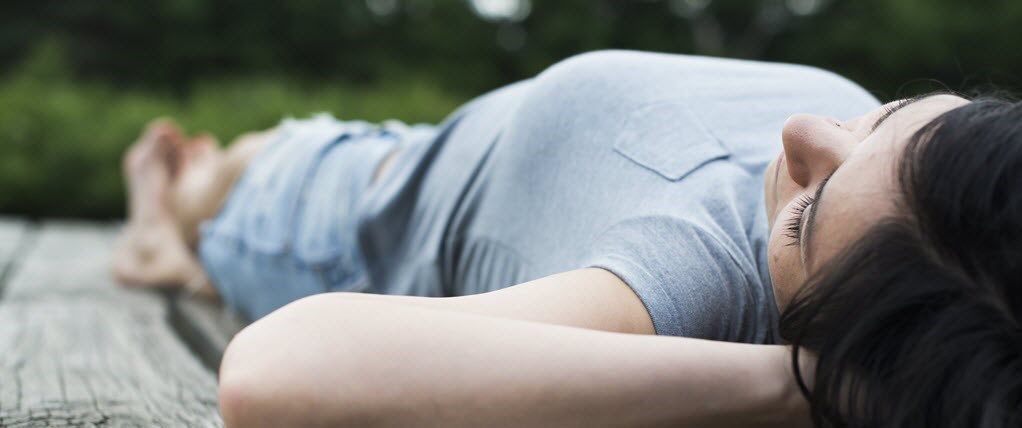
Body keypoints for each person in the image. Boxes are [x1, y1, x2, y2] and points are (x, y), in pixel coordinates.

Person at [111, 51, 1021, 427]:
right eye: (895, 117)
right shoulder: (950, 212)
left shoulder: (696, 270)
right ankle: (177, 224)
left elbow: (276, 372)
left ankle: (166, 235)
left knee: (225, 176)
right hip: (410, 147)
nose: (807, 129)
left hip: (325, 214)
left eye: (807, 213)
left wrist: (804, 387)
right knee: (248, 151)